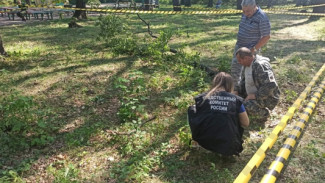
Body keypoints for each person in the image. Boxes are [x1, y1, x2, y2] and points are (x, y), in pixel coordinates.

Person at [188, 72, 249, 156]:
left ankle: (195, 142)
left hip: (204, 142)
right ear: (230, 85)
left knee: (192, 109)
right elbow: (246, 123)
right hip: (228, 146)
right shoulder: (236, 100)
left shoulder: (203, 98)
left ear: (214, 83)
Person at [231, 0, 271, 89]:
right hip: (239, 46)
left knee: (250, 72)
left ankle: (249, 91)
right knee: (235, 68)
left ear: (254, 7)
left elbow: (266, 36)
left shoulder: (262, 17)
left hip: (251, 49)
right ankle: (236, 89)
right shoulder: (245, 14)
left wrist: (253, 50)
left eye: (248, 11)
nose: (245, 13)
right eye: (243, 11)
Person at [235, 47, 280, 120]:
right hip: (251, 93)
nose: (239, 62)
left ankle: (264, 114)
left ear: (246, 58)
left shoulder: (260, 65)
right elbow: (243, 81)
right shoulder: (246, 65)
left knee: (244, 106)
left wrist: (255, 96)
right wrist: (236, 91)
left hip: (266, 97)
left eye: (240, 60)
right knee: (234, 100)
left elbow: (270, 85)